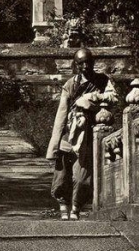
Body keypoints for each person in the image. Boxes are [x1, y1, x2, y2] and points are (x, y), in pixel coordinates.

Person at [46, 48, 118, 220]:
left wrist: (94, 97)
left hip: (88, 133)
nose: (85, 66)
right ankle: (63, 204)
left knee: (82, 174)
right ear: (76, 65)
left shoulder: (102, 80)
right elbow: (61, 114)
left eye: (88, 62)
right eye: (81, 63)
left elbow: (113, 97)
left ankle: (76, 207)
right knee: (62, 173)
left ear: (93, 62)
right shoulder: (71, 84)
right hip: (69, 132)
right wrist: (54, 144)